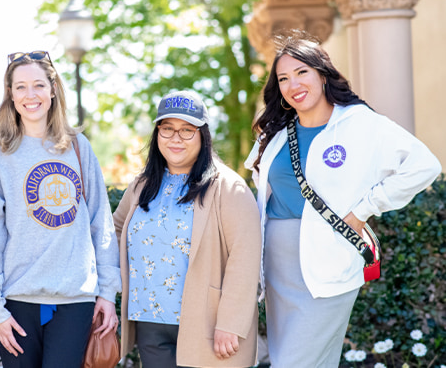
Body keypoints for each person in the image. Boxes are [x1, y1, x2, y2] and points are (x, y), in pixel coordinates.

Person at [244, 31, 442, 367]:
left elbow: (425, 166)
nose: (293, 84)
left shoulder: (359, 124)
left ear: (322, 74)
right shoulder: (276, 134)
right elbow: (260, 190)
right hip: (278, 266)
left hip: (329, 261)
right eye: (283, 78)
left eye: (302, 72)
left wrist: (365, 209)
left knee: (293, 363)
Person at [0, 50, 121, 368]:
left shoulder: (78, 146)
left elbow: (99, 222)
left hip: (75, 300)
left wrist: (107, 291)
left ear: (53, 89)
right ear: (10, 94)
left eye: (38, 85)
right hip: (18, 303)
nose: (30, 95)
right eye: (20, 87)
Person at [113, 90, 262, 368]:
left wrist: (230, 322)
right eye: (167, 129)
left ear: (202, 135)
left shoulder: (228, 188)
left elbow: (245, 258)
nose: (176, 139)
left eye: (186, 130)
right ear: (157, 134)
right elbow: (115, 232)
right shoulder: (142, 185)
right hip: (149, 320)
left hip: (206, 325)